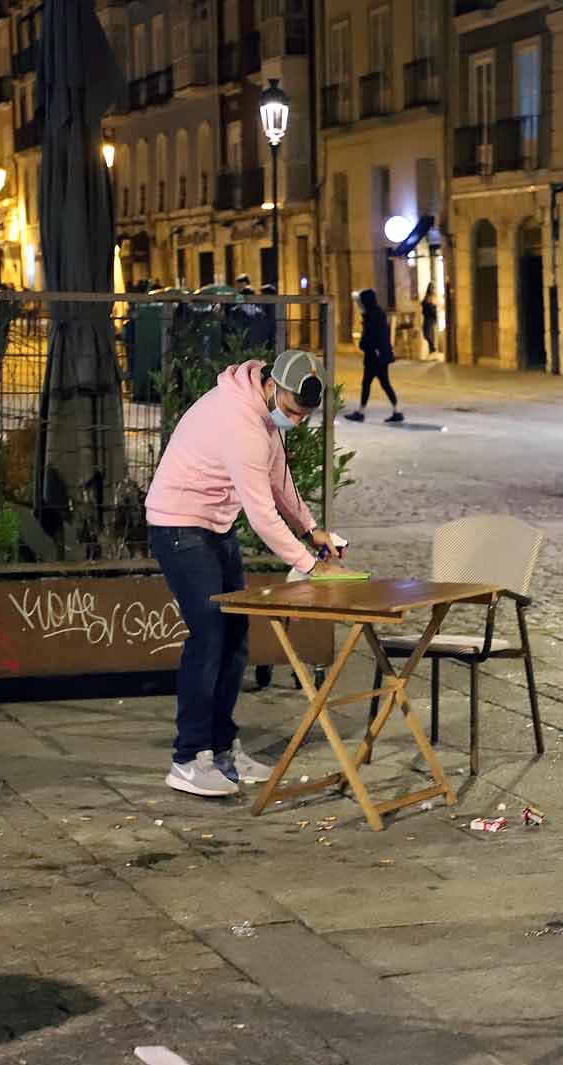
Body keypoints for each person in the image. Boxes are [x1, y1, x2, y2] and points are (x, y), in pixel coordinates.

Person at [145, 348, 350, 797]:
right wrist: (309, 565)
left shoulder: (264, 414)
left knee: (236, 638)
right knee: (209, 637)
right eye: (293, 411)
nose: (295, 421)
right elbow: (260, 514)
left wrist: (312, 529)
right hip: (179, 524)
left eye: (303, 416)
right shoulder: (241, 423)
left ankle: (222, 750)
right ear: (274, 386)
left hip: (214, 525)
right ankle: (188, 758)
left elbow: (279, 482)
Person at [346, 288, 403, 423]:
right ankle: (396, 410)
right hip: (380, 355)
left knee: (367, 383)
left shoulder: (373, 316)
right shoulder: (376, 313)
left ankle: (361, 412)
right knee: (384, 383)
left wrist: (363, 344)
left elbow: (372, 336)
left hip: (374, 356)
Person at [421, 283, 439, 358]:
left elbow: (434, 308)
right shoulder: (427, 296)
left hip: (431, 319)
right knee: (426, 334)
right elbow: (424, 305)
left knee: (429, 334)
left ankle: (433, 348)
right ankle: (432, 348)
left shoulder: (433, 296)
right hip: (427, 318)